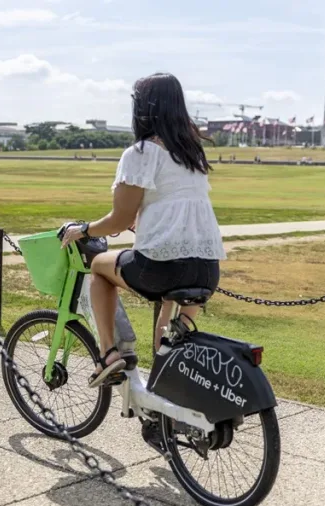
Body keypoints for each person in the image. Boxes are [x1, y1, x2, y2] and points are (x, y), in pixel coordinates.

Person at [61, 72, 226, 388]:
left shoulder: (141, 152)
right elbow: (172, 203)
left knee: (98, 267)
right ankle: (164, 408)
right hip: (206, 269)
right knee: (167, 342)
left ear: (143, 108)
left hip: (163, 269)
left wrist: (84, 230)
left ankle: (108, 355)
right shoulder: (191, 152)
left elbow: (118, 220)